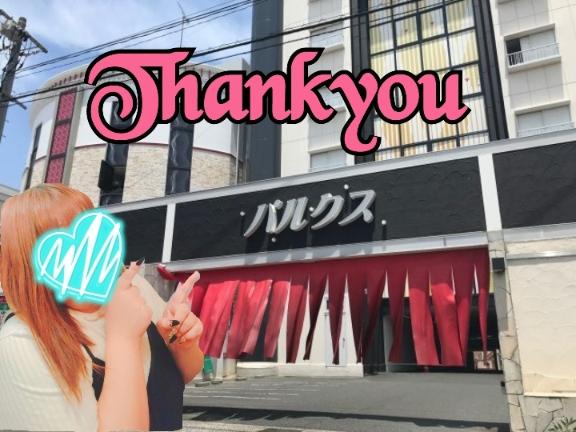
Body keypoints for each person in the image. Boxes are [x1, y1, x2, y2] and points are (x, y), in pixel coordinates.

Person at [0, 184, 204, 431]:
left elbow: (183, 375)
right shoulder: (23, 341)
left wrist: (181, 343)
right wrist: (124, 337)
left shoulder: (134, 288)